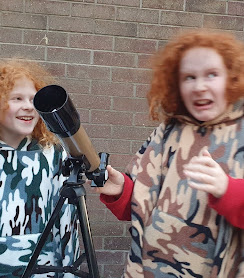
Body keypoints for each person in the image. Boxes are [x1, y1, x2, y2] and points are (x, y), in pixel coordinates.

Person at [96, 29, 244, 277]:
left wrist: (228, 191)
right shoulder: (167, 132)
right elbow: (143, 206)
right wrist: (122, 191)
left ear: (232, 78)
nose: (199, 86)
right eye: (189, 77)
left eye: (211, 75)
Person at [0, 60, 80, 277]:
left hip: (42, 270)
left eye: (33, 99)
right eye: (17, 98)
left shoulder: (53, 157)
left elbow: (67, 223)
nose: (29, 106)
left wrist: (68, 272)